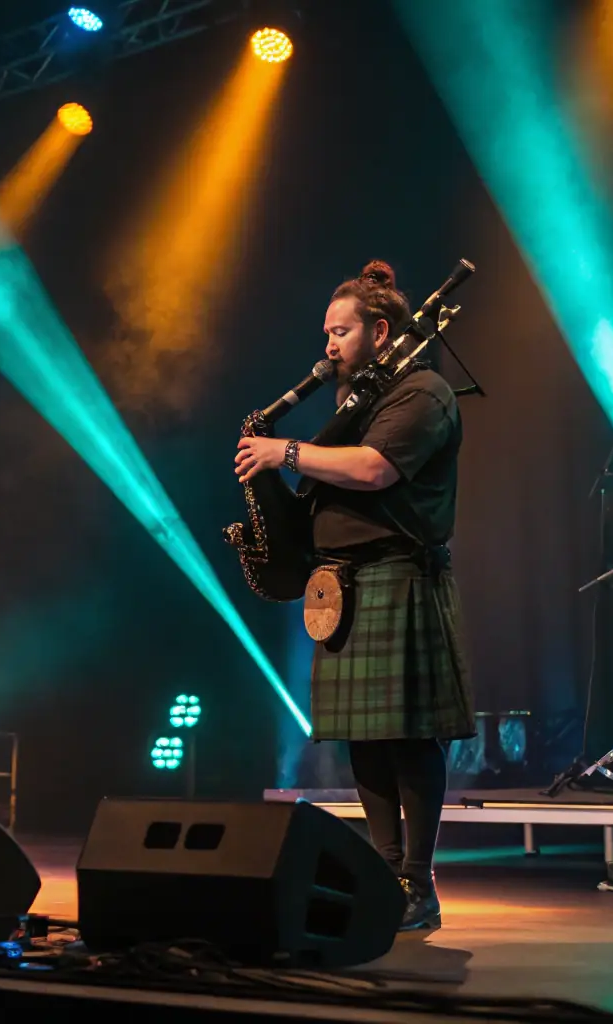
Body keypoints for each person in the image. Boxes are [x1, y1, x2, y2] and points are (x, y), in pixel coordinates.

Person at [234, 260, 474, 931]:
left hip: (398, 572)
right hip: (340, 583)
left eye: (339, 331)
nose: (328, 345)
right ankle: (384, 871)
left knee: (409, 736)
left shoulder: (423, 393)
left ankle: (416, 884)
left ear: (378, 329)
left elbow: (372, 470)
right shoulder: (354, 406)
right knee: (363, 739)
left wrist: (284, 451)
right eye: (325, 333)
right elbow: (325, 479)